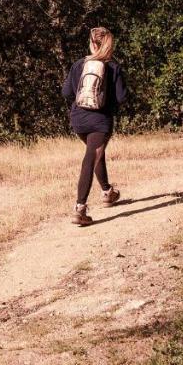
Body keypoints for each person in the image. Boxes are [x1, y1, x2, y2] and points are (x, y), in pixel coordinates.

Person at [61, 26, 128, 226]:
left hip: (78, 120)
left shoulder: (78, 65)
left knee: (95, 153)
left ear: (91, 43)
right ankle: (80, 209)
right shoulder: (113, 67)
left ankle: (108, 192)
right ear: (108, 44)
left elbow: (66, 93)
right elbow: (122, 97)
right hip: (100, 121)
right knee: (91, 158)